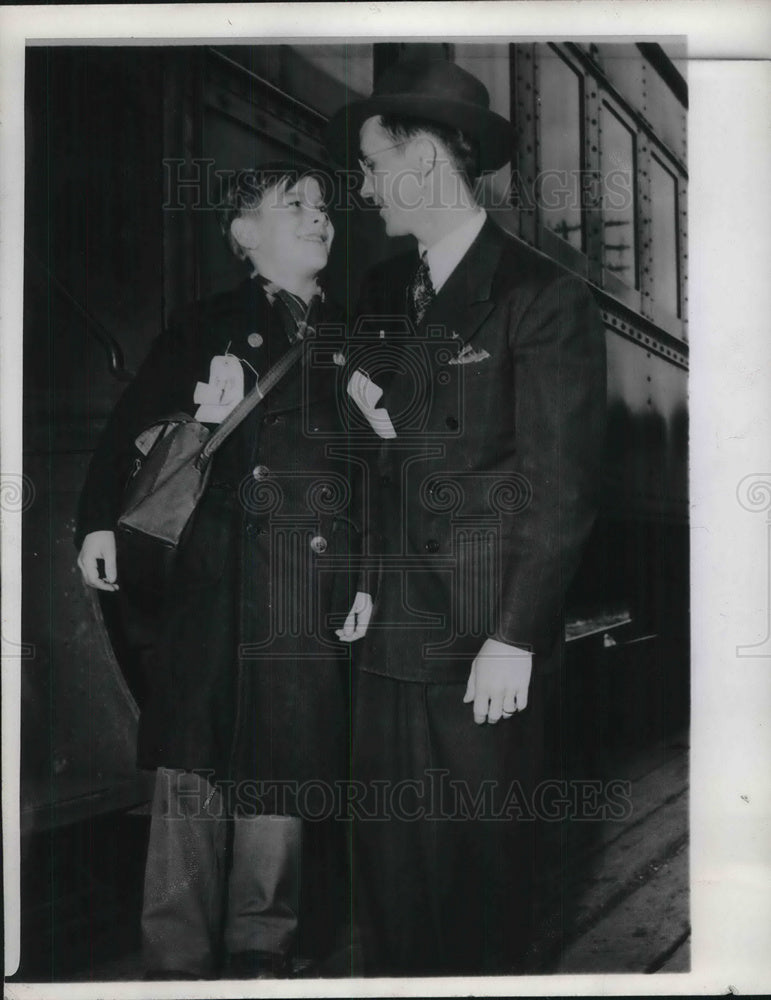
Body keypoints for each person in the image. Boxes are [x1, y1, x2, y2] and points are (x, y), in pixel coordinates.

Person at [325, 59, 607, 975]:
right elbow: (375, 460)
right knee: (390, 880)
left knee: (482, 881)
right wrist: (365, 581)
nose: (363, 190)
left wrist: (517, 636)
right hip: (387, 638)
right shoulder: (375, 295)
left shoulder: (542, 294)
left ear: (425, 164)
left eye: (371, 167)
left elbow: (559, 485)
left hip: (482, 642)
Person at [76, 162, 363, 979]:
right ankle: (175, 957)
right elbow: (131, 427)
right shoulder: (206, 323)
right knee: (192, 754)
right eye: (292, 205)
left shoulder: (352, 337)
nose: (318, 217)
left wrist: (368, 575)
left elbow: (374, 473)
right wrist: (96, 521)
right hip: (215, 569)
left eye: (321, 206)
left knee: (288, 751)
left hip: (308, 576)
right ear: (244, 236)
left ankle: (261, 948)